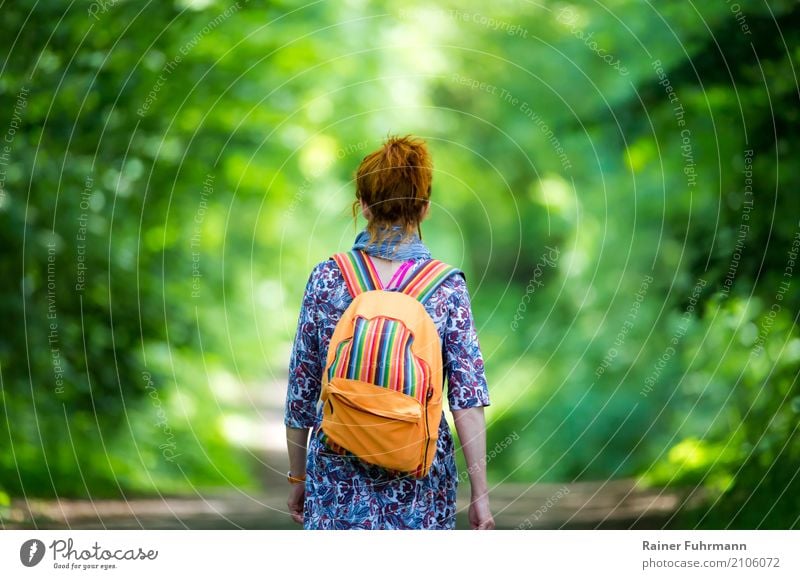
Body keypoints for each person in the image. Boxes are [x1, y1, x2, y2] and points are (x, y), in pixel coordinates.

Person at [284, 135, 494, 530]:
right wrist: (480, 496)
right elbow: (467, 400)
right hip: (420, 480)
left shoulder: (328, 278)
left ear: (362, 205)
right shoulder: (447, 287)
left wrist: (298, 478)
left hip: (337, 478)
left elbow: (301, 392)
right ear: (426, 207)